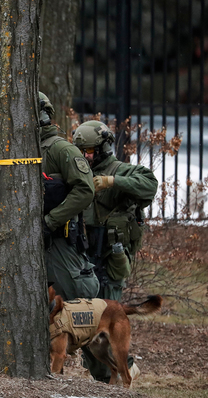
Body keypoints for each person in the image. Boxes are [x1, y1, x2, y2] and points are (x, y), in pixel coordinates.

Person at [0, 92, 99, 301]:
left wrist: (50, 222)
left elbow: (85, 190)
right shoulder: (10, 153)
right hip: (17, 241)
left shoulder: (61, 150)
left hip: (58, 242)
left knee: (73, 299)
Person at [73, 120, 157, 383]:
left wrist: (111, 181)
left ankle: (122, 372)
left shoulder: (121, 170)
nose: (85, 156)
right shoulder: (77, 170)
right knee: (87, 329)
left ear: (102, 148)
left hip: (110, 261)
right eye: (81, 151)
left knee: (107, 325)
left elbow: (149, 185)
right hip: (85, 260)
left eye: (89, 151)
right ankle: (109, 372)